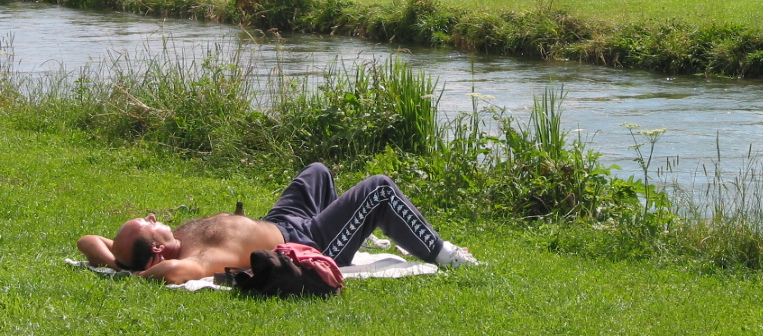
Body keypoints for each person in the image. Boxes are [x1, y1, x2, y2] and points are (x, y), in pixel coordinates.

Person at [76, 163, 479, 284]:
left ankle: (356, 228)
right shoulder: (192, 259)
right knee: (379, 190)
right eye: (147, 224)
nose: (151, 216)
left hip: (281, 220)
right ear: (158, 250)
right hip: (307, 242)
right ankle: (446, 256)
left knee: (317, 172)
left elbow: (87, 240)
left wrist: (117, 266)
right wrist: (137, 275)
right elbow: (170, 272)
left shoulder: (172, 241)